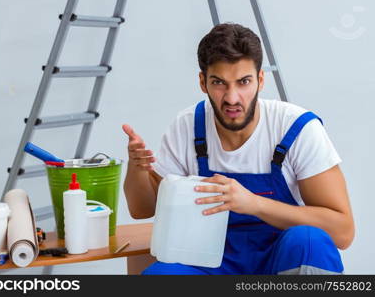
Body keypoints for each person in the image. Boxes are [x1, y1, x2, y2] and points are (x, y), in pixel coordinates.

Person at [122, 23, 354, 275]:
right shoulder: (188, 126)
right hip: (211, 262)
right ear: (203, 82)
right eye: (219, 83)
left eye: (243, 82)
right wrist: (138, 169)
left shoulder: (295, 128)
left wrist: (253, 203)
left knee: (309, 241)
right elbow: (142, 209)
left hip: (280, 259)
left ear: (260, 80)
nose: (232, 98)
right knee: (160, 275)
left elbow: (342, 231)